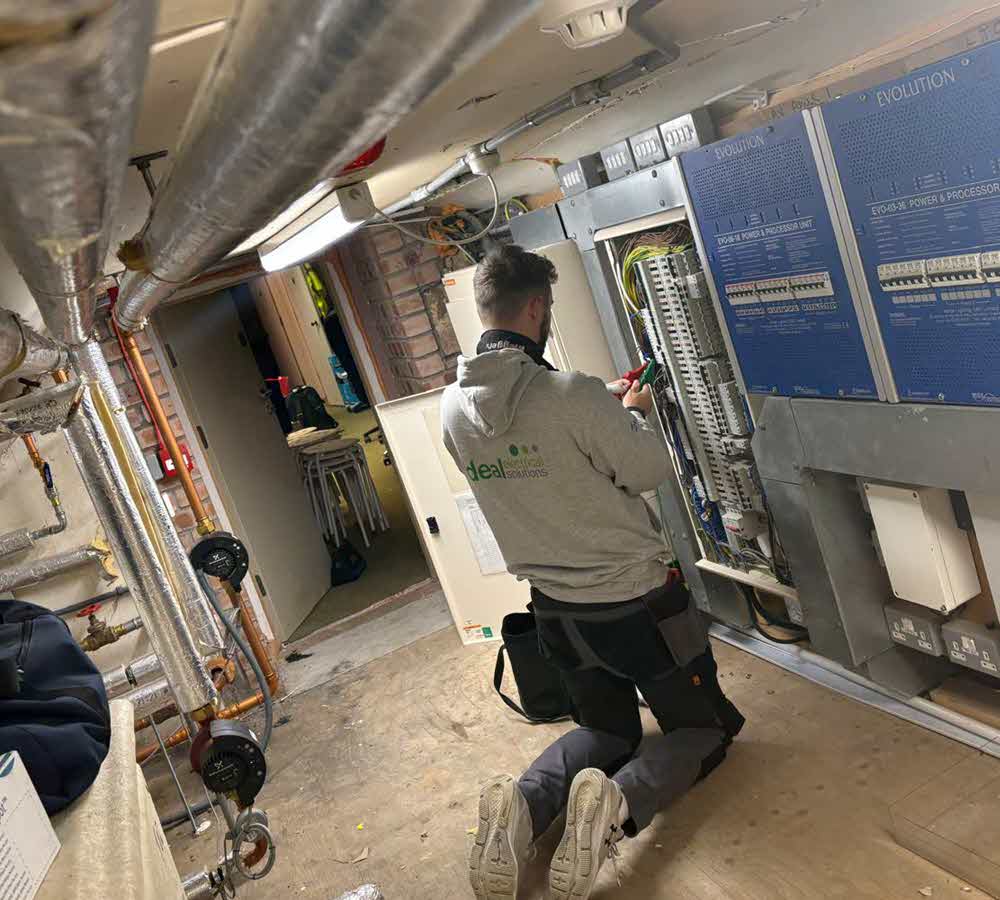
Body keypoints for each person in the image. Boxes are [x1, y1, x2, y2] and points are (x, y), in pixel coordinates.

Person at [441, 244, 745, 899]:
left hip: (556, 611)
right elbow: (647, 471)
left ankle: (524, 807)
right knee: (703, 728)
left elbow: (538, 451)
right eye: (544, 310)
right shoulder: (572, 395)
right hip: (639, 606)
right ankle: (617, 802)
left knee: (606, 728)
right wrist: (626, 414)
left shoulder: (452, 410)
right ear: (533, 308)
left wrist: (598, 409)